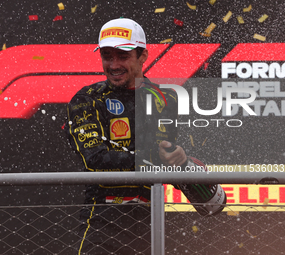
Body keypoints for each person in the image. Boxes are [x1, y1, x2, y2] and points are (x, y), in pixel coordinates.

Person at [64, 18, 220, 255]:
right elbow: (94, 159)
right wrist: (155, 161)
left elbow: (173, 159)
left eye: (123, 56)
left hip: (151, 219)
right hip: (102, 219)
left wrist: (182, 163)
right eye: (107, 56)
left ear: (143, 56)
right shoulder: (88, 98)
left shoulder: (166, 99)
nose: (114, 64)